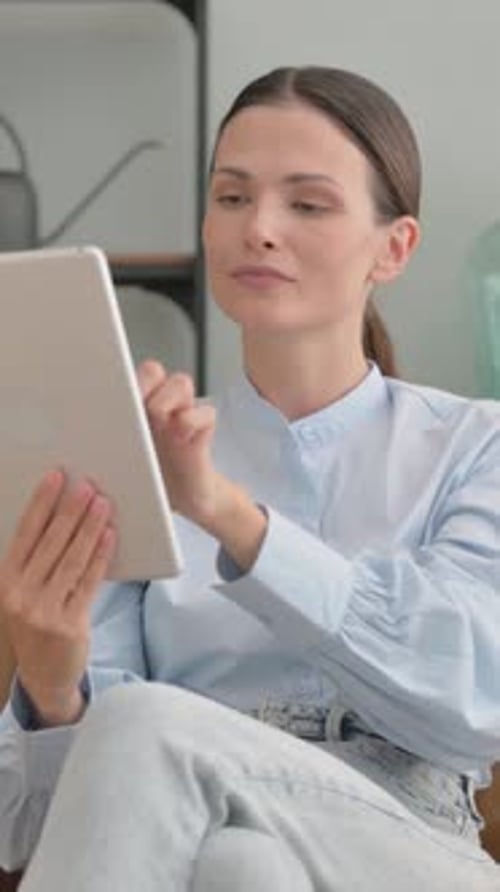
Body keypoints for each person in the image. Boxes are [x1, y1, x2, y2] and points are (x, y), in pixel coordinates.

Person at [0, 65, 499, 891]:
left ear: (394, 246)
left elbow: (474, 701)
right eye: (232, 198)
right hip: (205, 845)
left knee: (145, 724)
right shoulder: (138, 449)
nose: (259, 228)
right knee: (242, 866)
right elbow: (37, 829)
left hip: (415, 848)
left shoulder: (476, 443)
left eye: (307, 203)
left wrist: (230, 517)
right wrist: (53, 689)